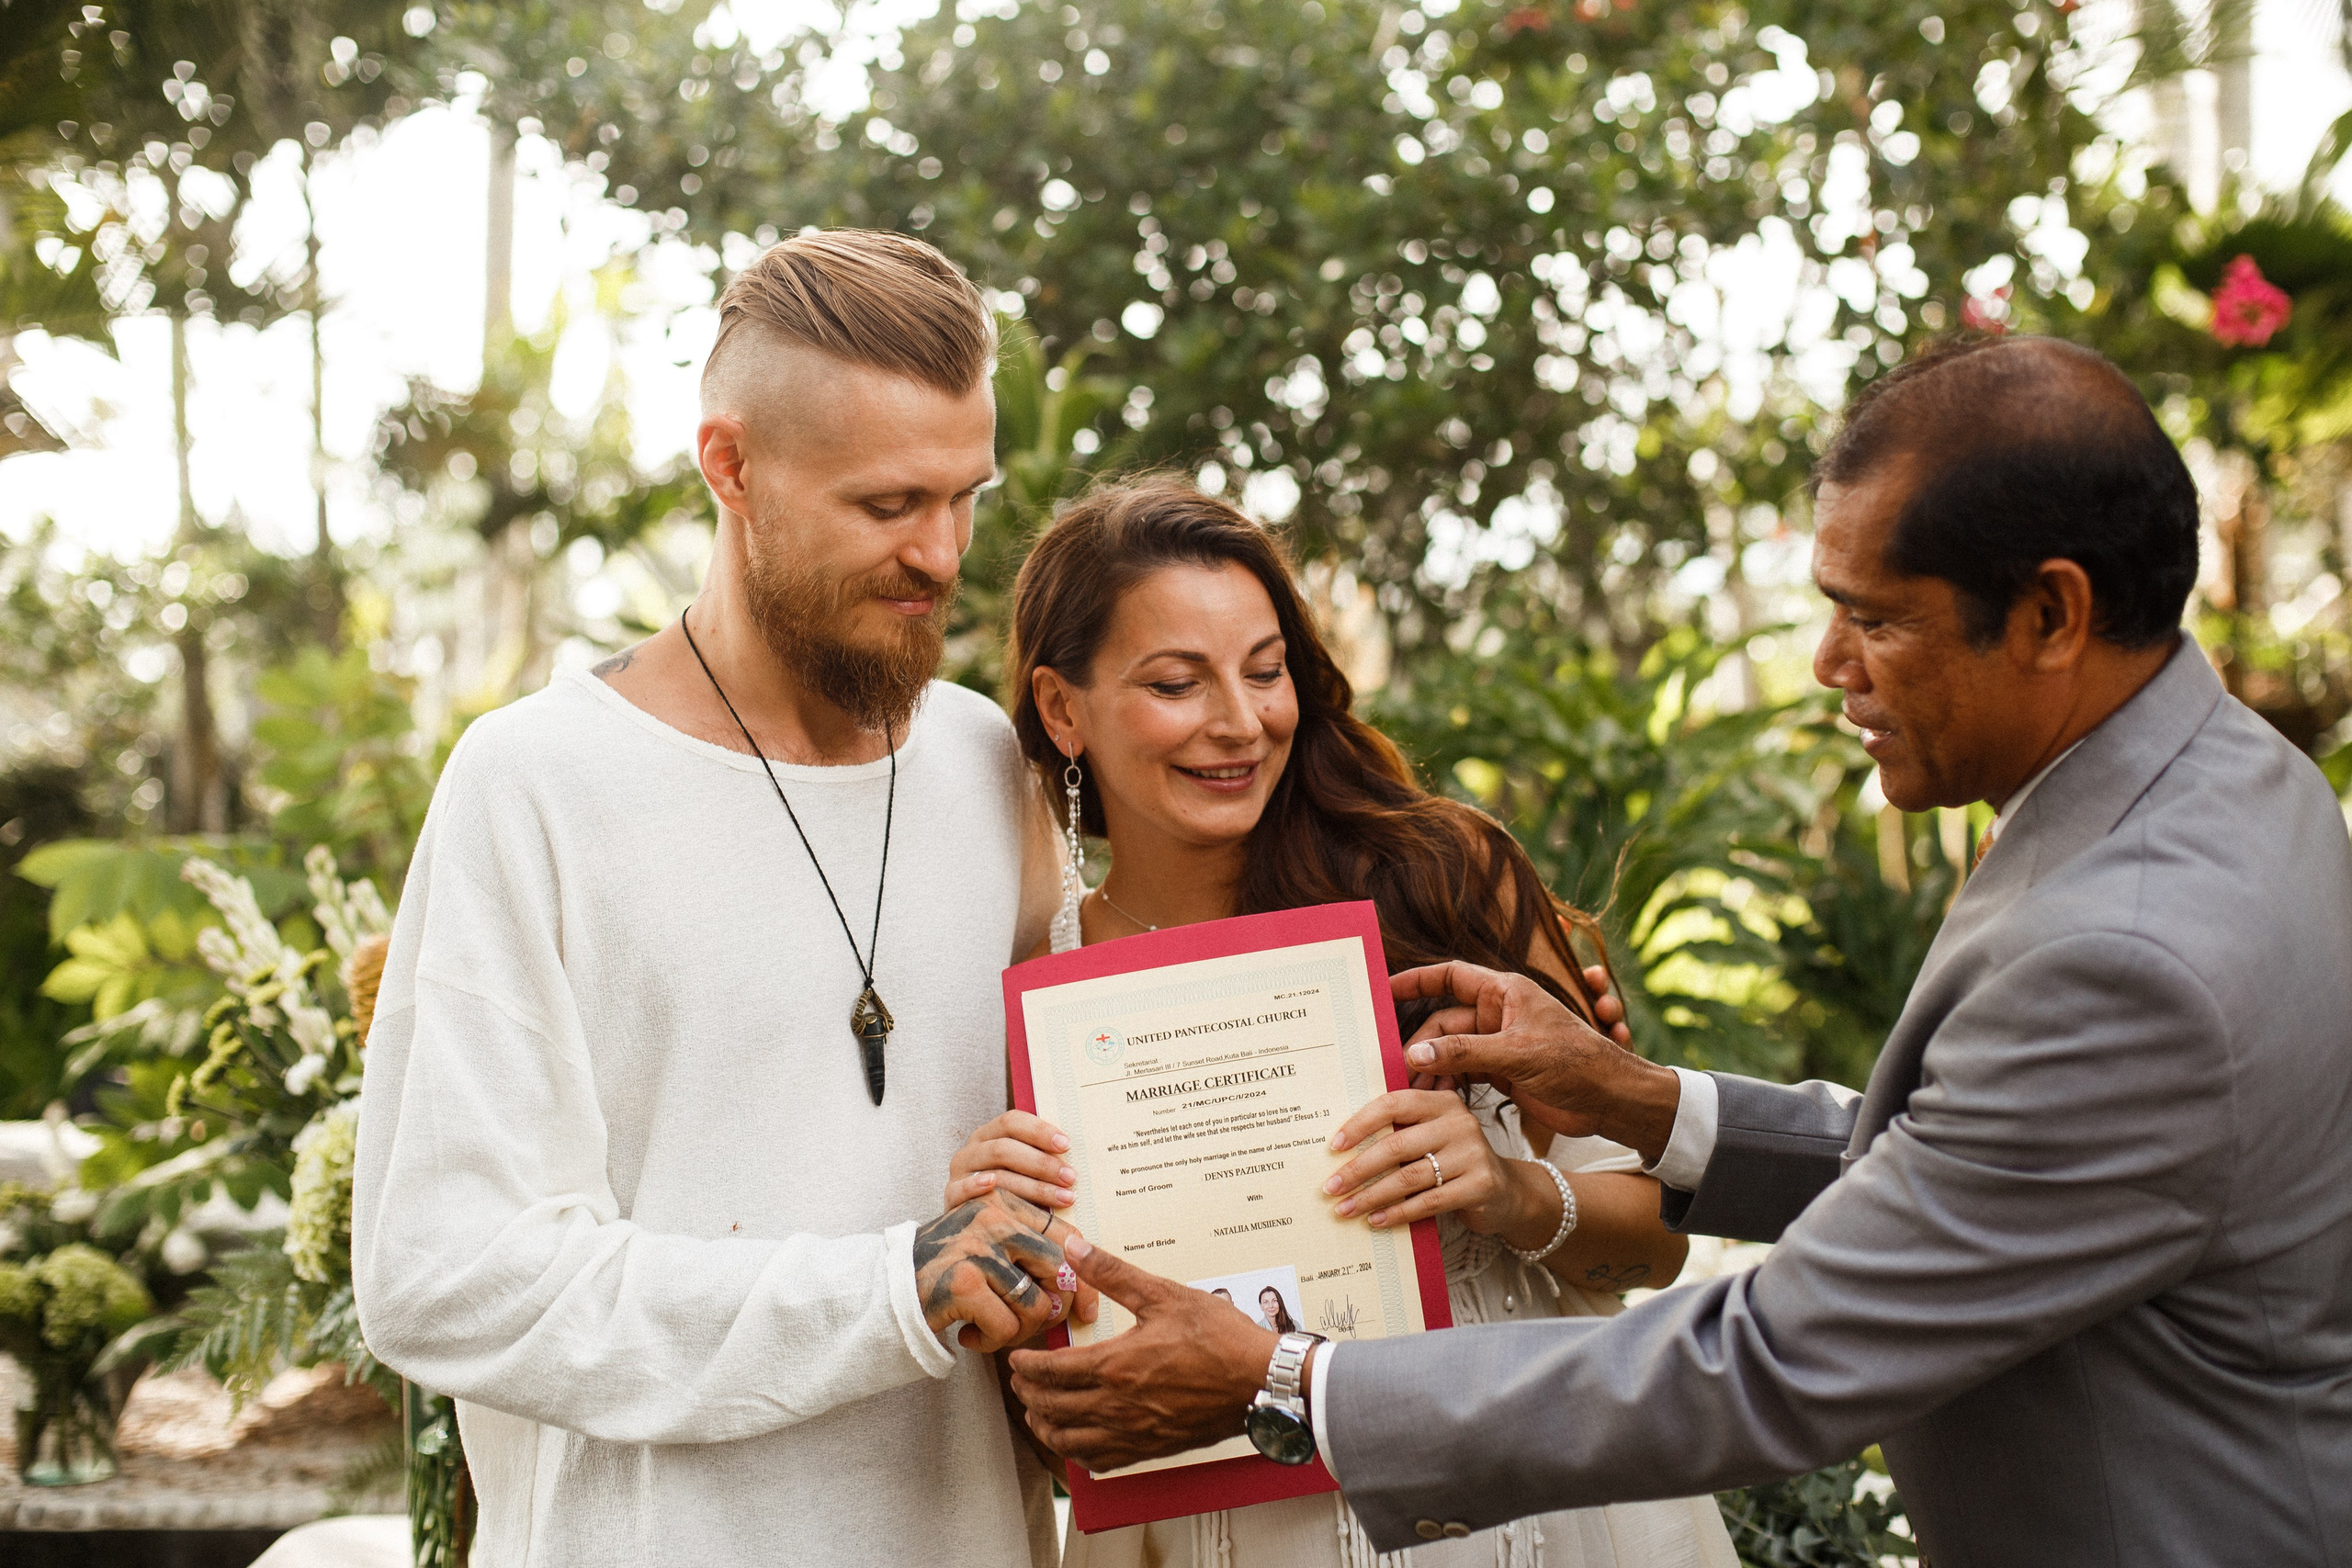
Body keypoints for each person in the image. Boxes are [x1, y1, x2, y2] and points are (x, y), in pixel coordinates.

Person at [1008, 337, 2352, 1565]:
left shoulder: (2134, 948)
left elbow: (1770, 1360)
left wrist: (1285, 1378)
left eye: (1874, 617)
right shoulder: (2239, 788)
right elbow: (1991, 1160)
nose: (1829, 663)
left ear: (2053, 615)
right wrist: (1633, 1093)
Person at [352, 231, 1088, 1568]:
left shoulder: (993, 760)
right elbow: (444, 1273)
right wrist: (889, 1286)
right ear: (731, 466)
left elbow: (1088, 1148)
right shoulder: (535, 782)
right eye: (889, 504)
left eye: (966, 495)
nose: (943, 553)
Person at [950, 478, 1736, 1567]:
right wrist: (1003, 1260)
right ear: (1062, 708)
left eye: (1265, 672)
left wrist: (1509, 1194)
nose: (1240, 722)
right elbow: (1042, 1403)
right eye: (1177, 683)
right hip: (1220, 1529)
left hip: (1514, 1502)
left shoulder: (1440, 879)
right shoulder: (1034, 984)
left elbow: (1654, 1244)